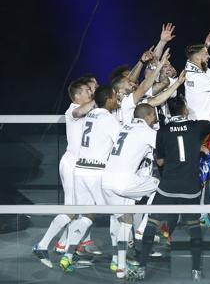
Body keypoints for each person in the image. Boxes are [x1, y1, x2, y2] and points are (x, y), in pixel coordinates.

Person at [127, 97, 210, 282]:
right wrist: (197, 148)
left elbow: (160, 161)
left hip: (168, 187)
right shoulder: (197, 126)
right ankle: (196, 271)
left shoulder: (162, 131)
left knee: (152, 223)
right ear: (184, 109)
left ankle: (142, 267)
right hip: (190, 188)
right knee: (194, 228)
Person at [32, 79, 97, 268]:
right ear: (77, 96)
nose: (90, 93)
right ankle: (43, 245)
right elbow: (79, 111)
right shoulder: (72, 110)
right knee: (71, 211)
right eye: (87, 90)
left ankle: (65, 250)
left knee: (86, 211)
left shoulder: (91, 110)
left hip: (84, 167)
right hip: (71, 166)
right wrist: (100, 97)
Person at [58, 85, 121, 273]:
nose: (117, 98)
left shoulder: (91, 116)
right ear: (108, 99)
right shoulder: (106, 118)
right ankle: (118, 260)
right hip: (96, 172)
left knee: (87, 215)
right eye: (115, 96)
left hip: (82, 171)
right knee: (119, 214)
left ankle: (67, 256)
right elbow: (121, 143)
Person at [101, 104, 160, 279]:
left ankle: (120, 267)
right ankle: (142, 228)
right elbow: (165, 148)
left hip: (107, 182)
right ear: (149, 116)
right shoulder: (146, 130)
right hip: (124, 181)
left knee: (124, 221)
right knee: (161, 186)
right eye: (154, 116)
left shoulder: (124, 126)